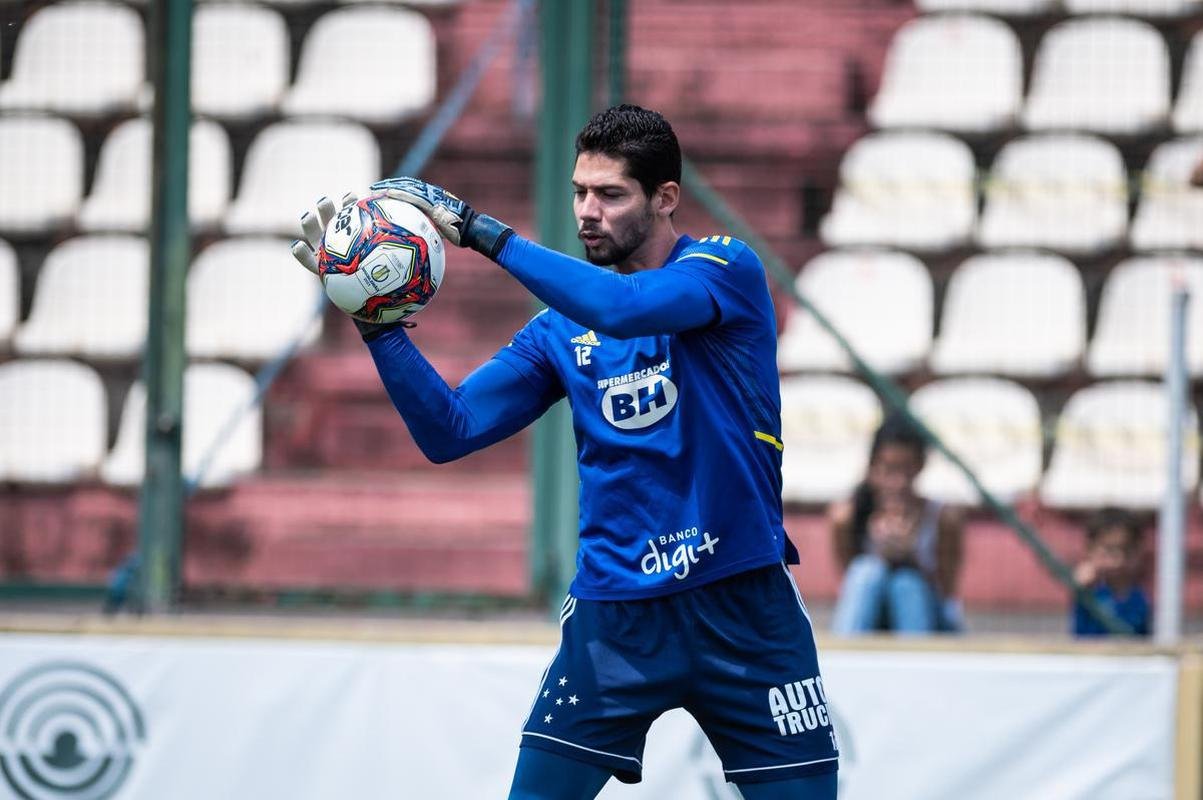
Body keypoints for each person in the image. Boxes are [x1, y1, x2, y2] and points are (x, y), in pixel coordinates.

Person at [291, 105, 838, 799]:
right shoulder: (556, 334)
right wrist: (379, 329)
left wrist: (482, 234)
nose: (587, 211)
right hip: (616, 624)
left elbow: (623, 307)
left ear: (665, 198)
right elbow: (450, 432)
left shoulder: (724, 269)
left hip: (744, 607)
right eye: (580, 192)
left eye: (610, 195)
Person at [828, 414, 964, 635]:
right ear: (874, 468)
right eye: (890, 469)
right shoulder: (848, 516)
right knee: (867, 571)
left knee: (906, 584)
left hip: (929, 618)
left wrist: (910, 559)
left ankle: (918, 663)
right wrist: (882, 555)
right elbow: (851, 584)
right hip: (874, 615)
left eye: (907, 469)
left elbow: (947, 594)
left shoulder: (943, 517)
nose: (899, 481)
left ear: (920, 466)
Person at [1072, 508, 1150, 637]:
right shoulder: (1087, 588)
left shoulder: (1140, 597)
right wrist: (1079, 588)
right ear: (1090, 549)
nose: (1119, 559)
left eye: (1126, 550)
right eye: (1109, 550)